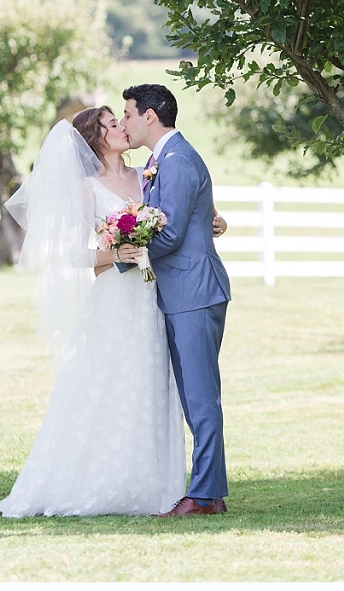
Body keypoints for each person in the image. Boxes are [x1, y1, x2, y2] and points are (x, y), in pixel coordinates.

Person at [0, 105, 227, 518]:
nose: (122, 127)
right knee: (110, 385)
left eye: (121, 120)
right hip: (116, 299)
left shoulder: (147, 175)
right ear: (95, 140)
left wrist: (213, 221)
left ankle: (153, 486)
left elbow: (179, 215)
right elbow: (73, 254)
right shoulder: (88, 188)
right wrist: (116, 252)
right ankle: (102, 480)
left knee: (152, 386)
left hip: (156, 297)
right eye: (112, 124)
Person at [117, 83, 231, 517]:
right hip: (181, 291)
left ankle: (202, 496)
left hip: (194, 291)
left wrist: (125, 256)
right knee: (195, 399)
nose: (124, 123)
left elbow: (172, 234)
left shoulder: (178, 160)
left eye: (128, 114)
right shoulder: (160, 160)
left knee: (201, 400)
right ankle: (210, 493)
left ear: (149, 116)